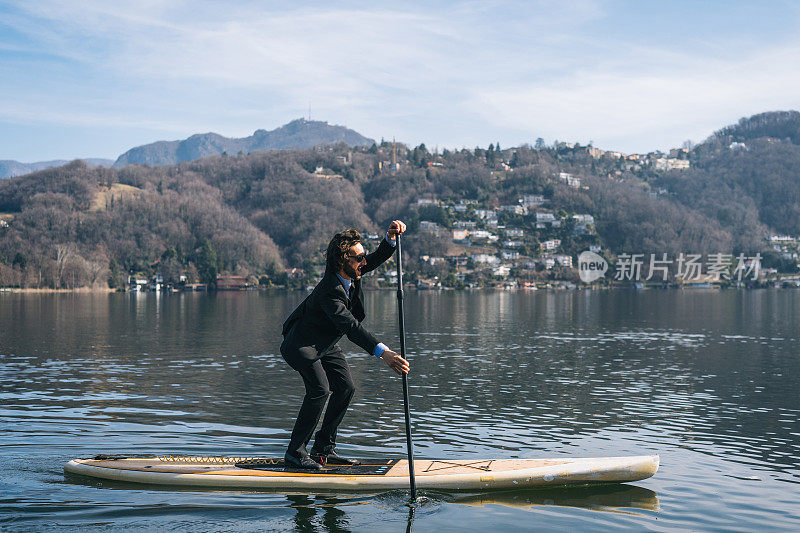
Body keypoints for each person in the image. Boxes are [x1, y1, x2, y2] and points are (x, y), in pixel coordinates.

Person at [280, 220, 410, 470]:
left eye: (363, 256)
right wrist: (384, 353)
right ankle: (295, 453)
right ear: (342, 261)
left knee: (346, 388)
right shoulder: (330, 291)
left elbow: (375, 258)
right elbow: (351, 328)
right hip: (302, 346)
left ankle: (323, 449)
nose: (364, 261)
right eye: (359, 258)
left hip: (326, 344)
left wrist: (390, 238)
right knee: (320, 389)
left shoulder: (353, 270)